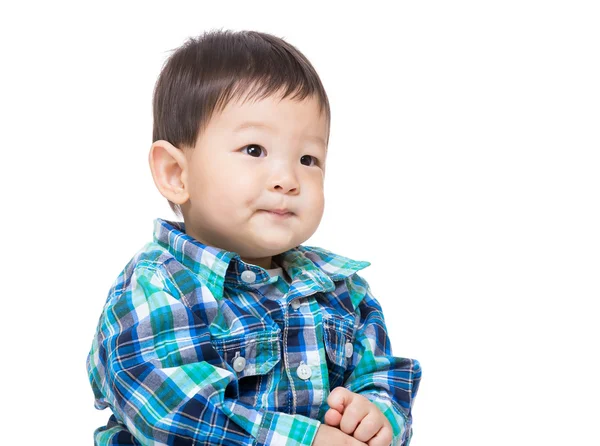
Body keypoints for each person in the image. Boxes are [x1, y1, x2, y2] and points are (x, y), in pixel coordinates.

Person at [87, 29, 421, 446]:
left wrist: (377, 417)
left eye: (307, 158)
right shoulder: (159, 286)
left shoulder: (343, 291)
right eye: (254, 150)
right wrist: (309, 440)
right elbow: (173, 414)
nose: (287, 179)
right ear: (176, 174)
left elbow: (385, 375)